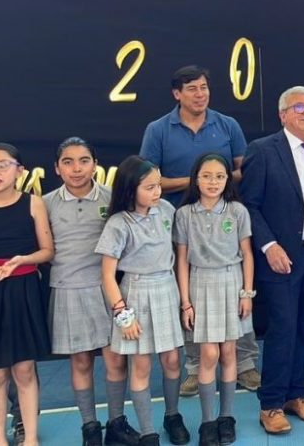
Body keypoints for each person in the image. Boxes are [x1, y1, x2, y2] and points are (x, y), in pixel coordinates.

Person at [139, 65, 259, 396]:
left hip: (222, 220)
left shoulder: (227, 125)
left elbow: (241, 170)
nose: (200, 94)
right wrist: (196, 181)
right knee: (188, 293)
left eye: (204, 87)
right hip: (178, 220)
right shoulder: (159, 129)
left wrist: (216, 181)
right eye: (192, 88)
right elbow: (149, 178)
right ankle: (195, 366)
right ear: (177, 93)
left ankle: (246, 364)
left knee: (237, 292)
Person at [240, 86, 304, 435]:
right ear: (283, 115)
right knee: (282, 328)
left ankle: (297, 394)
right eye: (300, 107)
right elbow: (249, 204)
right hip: (281, 255)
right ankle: (271, 404)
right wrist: (268, 245)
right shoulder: (263, 151)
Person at [43, 138, 138, 446]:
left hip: (107, 290)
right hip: (68, 290)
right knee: (81, 362)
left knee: (115, 362)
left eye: (84, 160)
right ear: (57, 168)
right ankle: (90, 429)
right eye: (68, 162)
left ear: (95, 164)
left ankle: (116, 425)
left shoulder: (113, 199)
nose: (76, 168)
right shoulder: (44, 204)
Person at [95, 156, 189, 446]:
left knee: (173, 360)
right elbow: (108, 275)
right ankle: (148, 432)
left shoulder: (166, 210)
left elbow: (180, 251)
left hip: (166, 288)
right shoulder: (118, 223)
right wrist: (123, 315)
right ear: (129, 188)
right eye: (149, 187)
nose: (157, 192)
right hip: (135, 291)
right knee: (141, 365)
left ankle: (172, 416)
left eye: (158, 185)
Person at [175, 154, 254, 446]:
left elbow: (247, 255)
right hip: (200, 284)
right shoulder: (185, 214)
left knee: (229, 352)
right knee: (208, 354)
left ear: (227, 180)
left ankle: (226, 416)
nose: (213, 182)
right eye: (206, 176)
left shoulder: (236, 211)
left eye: (219, 176)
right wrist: (186, 301)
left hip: (231, 283)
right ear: (196, 178)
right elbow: (181, 260)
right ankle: (207, 421)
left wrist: (247, 293)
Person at [0, 143, 53, 446]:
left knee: (24, 369)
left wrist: (21, 260)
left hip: (23, 291)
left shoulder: (33, 203)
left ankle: (30, 437)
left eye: (2, 165)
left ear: (20, 170)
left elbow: (47, 251)